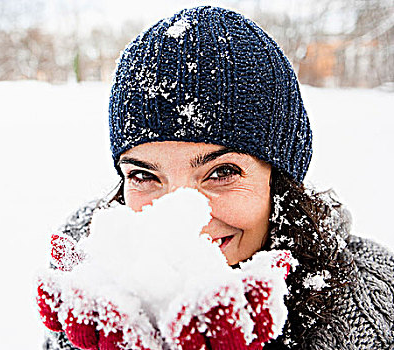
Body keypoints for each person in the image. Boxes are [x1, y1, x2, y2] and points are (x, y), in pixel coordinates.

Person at [39, 6, 394, 349]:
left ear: (280, 181)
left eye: (222, 172)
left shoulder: (377, 312)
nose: (184, 221)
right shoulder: (88, 299)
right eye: (144, 175)